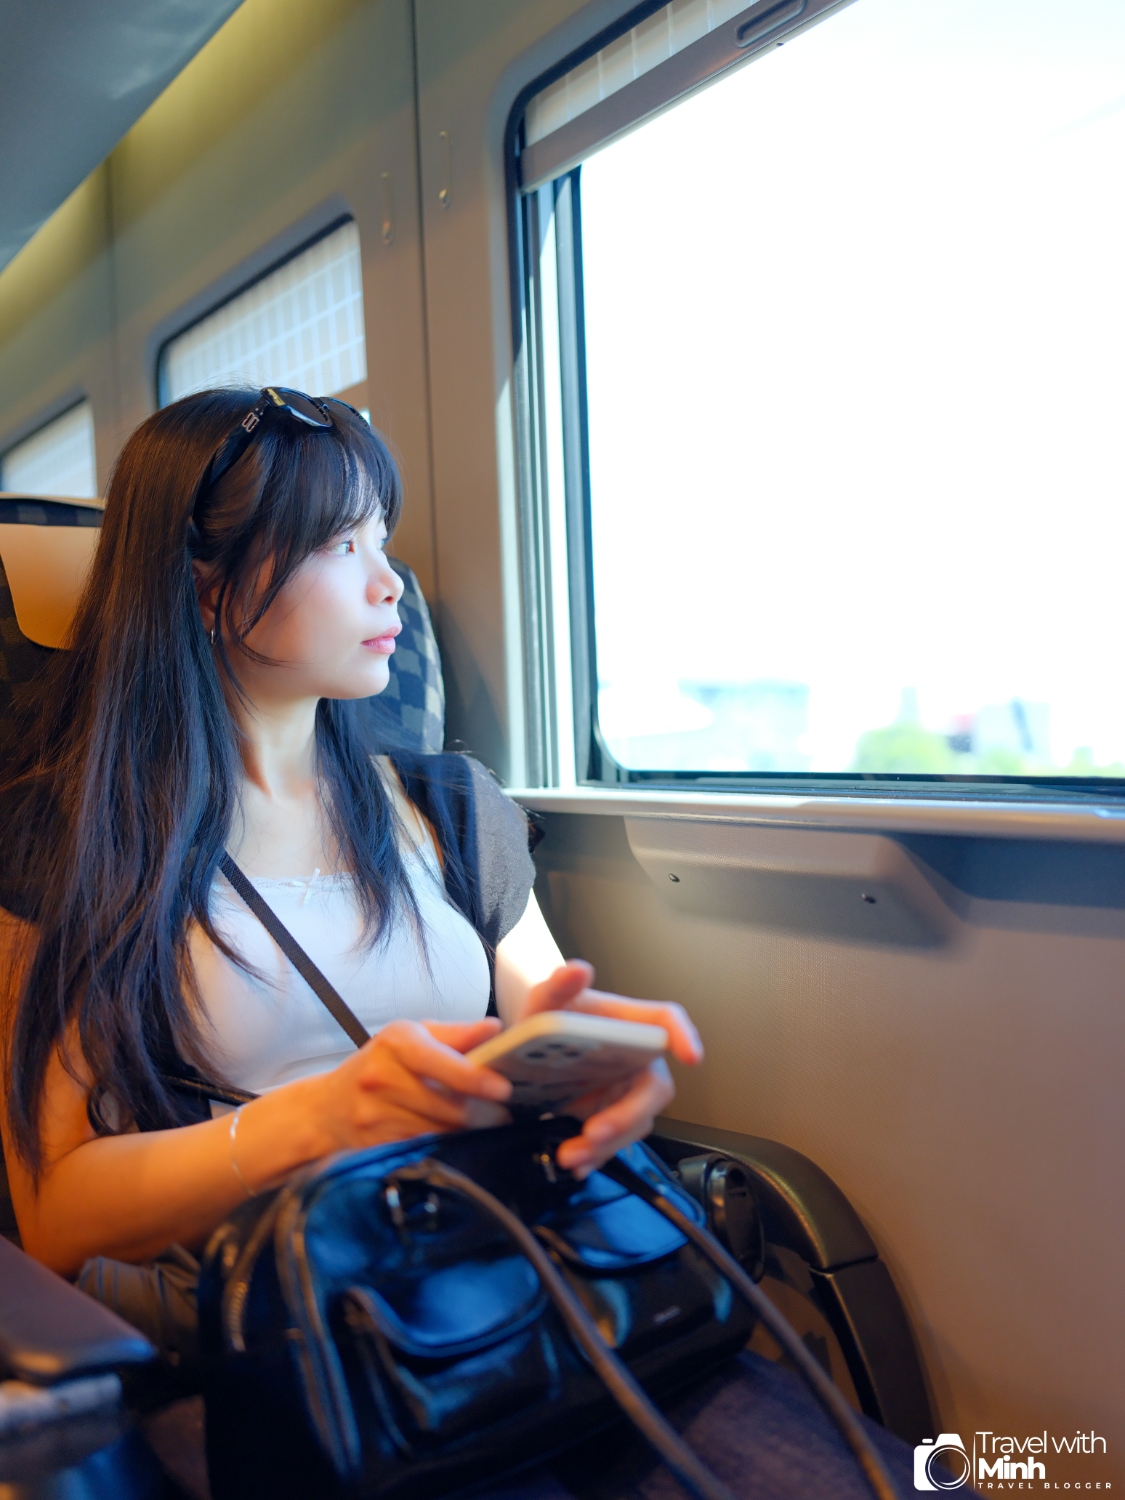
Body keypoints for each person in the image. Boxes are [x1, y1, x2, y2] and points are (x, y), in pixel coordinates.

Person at [0, 388, 934, 1498]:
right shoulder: (76, 843)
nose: (390, 581)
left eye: (380, 537)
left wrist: (597, 1070)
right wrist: (319, 1117)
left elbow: (545, 1010)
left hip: (519, 1287)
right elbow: (57, 1216)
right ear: (206, 587)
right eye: (341, 544)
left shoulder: (450, 808)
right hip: (290, 1339)